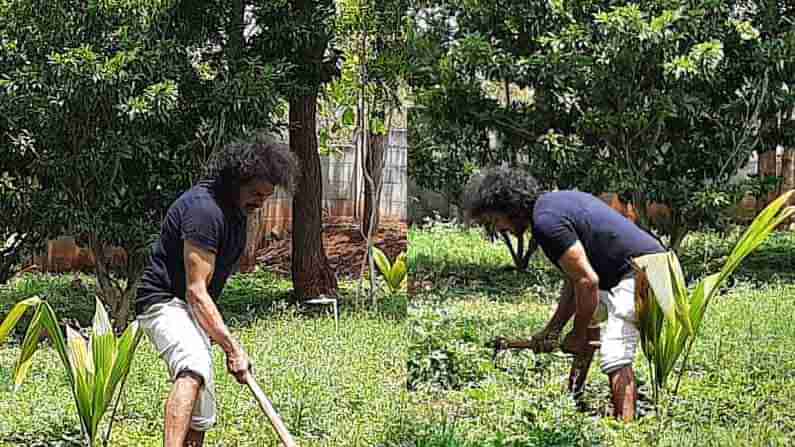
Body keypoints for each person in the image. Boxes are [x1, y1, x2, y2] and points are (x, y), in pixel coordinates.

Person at [463, 165, 664, 421]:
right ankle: (573, 399)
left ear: (510, 207)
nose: (499, 228)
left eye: (495, 221)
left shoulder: (546, 223)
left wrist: (576, 334)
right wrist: (554, 329)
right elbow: (575, 281)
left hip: (644, 270)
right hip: (631, 269)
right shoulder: (551, 207)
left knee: (616, 353)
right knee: (591, 321)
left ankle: (625, 431)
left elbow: (587, 282)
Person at [135, 136, 298, 446]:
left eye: (266, 196)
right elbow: (196, 291)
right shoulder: (204, 211)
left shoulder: (236, 211)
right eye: (255, 194)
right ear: (237, 179)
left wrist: (221, 340)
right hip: (164, 302)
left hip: (189, 307)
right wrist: (232, 347)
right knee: (193, 364)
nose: (260, 202)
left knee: (202, 411)